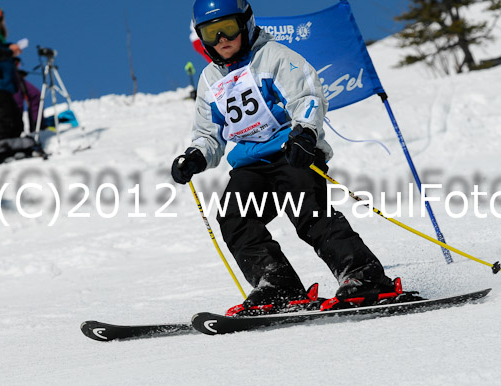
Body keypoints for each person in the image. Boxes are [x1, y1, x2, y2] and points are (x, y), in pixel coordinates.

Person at [171, 0, 401, 316]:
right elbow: (208, 133)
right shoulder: (210, 80)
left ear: (247, 23)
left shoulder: (274, 57)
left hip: (292, 153)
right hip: (250, 164)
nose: (222, 39)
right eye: (212, 32)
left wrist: (305, 133)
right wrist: (196, 156)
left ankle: (363, 276)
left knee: (309, 213)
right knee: (235, 218)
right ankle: (276, 284)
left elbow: (306, 95)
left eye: (229, 28)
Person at [0, 5, 23, 145]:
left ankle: (12, 146)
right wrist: (9, 52)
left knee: (14, 118)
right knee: (3, 118)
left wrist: (11, 54)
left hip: (4, 84)